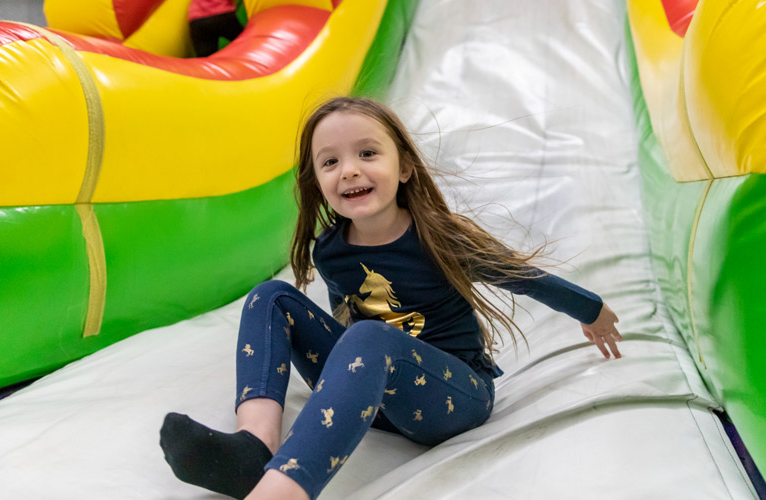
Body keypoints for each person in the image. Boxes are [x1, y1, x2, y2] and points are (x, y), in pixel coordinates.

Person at [159, 97, 622, 500]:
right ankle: (253, 448)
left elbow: (524, 277)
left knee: (368, 337)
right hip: (372, 393)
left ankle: (283, 490)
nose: (350, 169)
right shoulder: (332, 249)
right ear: (317, 181)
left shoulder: (442, 238)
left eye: (366, 153)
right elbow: (346, 324)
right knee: (271, 297)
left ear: (404, 167)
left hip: (451, 399)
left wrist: (593, 311)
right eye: (330, 162)